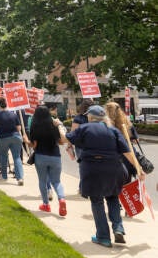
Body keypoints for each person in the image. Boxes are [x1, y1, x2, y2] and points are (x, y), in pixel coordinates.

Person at [66, 105, 145, 248]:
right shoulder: (113, 130)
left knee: (97, 201)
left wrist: (59, 127)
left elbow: (67, 139)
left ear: (90, 117)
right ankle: (118, 228)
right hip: (114, 169)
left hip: (92, 169)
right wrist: (139, 168)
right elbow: (127, 153)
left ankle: (103, 237)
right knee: (113, 197)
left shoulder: (84, 128)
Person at [29, 105, 67, 215]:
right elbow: (60, 142)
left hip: (41, 155)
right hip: (55, 156)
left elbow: (34, 145)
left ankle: (46, 205)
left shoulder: (34, 126)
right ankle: (62, 199)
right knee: (57, 181)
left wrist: (27, 140)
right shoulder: (54, 125)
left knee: (42, 181)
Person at [0, 97, 26, 185]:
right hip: (15, 137)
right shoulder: (13, 115)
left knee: (3, 156)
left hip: (2, 138)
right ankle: (20, 178)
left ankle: (4, 176)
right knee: (17, 157)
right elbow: (19, 128)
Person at [105, 101, 139, 179]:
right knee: (127, 181)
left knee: (113, 184)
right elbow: (136, 139)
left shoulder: (106, 125)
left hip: (112, 157)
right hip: (128, 156)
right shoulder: (127, 123)